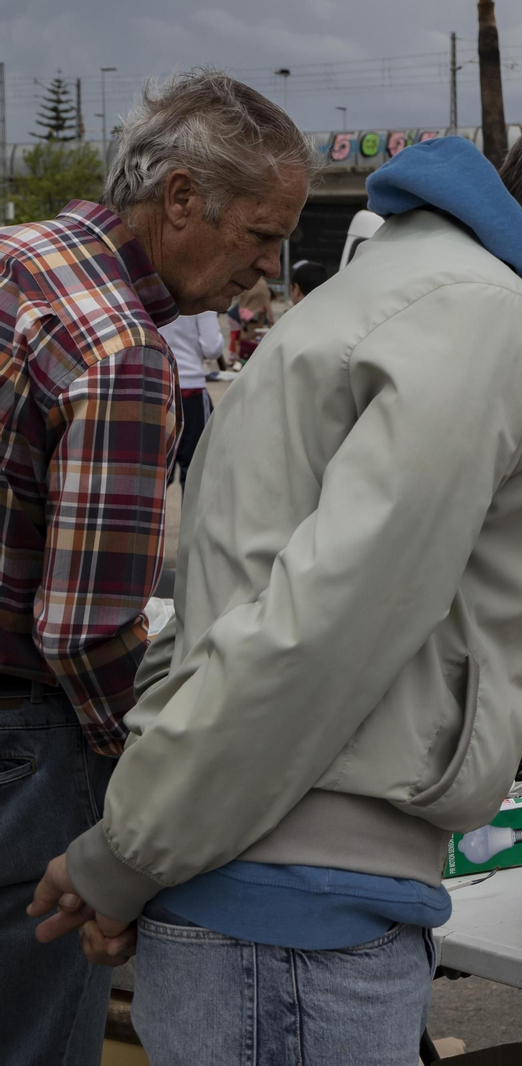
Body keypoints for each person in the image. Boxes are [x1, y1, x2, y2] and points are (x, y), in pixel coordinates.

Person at [29, 41, 522, 1065]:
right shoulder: (483, 318)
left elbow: (231, 612)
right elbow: (321, 629)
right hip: (298, 919)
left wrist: (139, 851)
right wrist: (123, 856)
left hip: (248, 885)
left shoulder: (385, 293)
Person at [1, 69, 310, 1066]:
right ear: (180, 199)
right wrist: (159, 780)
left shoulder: (17, 260)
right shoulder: (122, 352)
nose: (265, 271)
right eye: (261, 235)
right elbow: (85, 631)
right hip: (25, 748)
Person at [158, 313, 225, 487]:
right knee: (196, 470)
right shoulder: (203, 300)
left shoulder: (149, 288)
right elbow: (212, 348)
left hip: (158, 384)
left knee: (156, 472)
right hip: (191, 387)